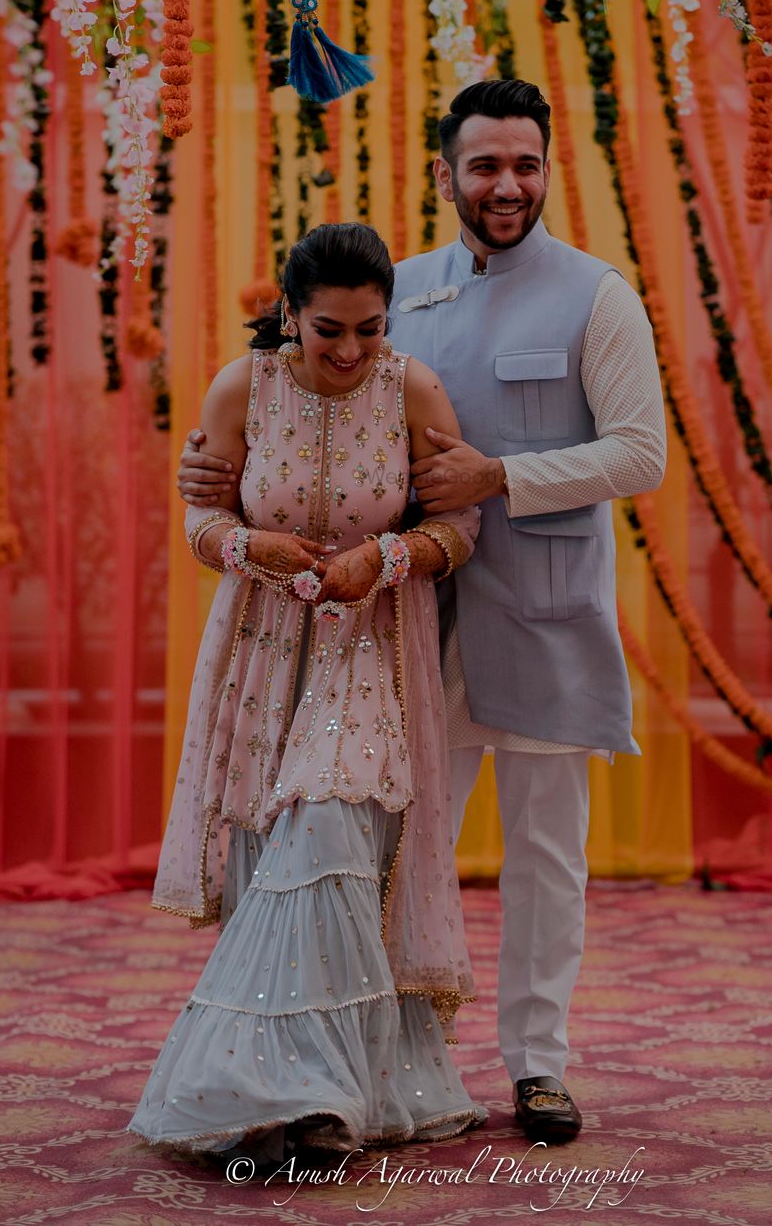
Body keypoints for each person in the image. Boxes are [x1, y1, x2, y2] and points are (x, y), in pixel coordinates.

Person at [178, 79, 667, 1146]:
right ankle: (385, 1065)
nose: (506, 184)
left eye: (525, 164)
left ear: (548, 168)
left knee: (545, 853)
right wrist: (213, 474)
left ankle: (539, 1068)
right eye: (484, 164)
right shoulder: (401, 289)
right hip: (399, 626)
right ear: (443, 172)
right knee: (386, 853)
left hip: (539, 618)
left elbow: (640, 454)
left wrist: (501, 478)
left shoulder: (597, 294)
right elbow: (305, 387)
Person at [129, 222, 487, 1162]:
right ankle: (296, 1096)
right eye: (329, 329)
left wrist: (387, 554)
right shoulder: (244, 385)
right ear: (290, 314)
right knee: (272, 854)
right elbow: (202, 518)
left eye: (370, 329)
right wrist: (252, 546)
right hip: (261, 651)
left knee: (327, 828)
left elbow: (460, 529)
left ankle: (312, 1086)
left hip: (371, 646)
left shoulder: (410, 388)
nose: (350, 351)